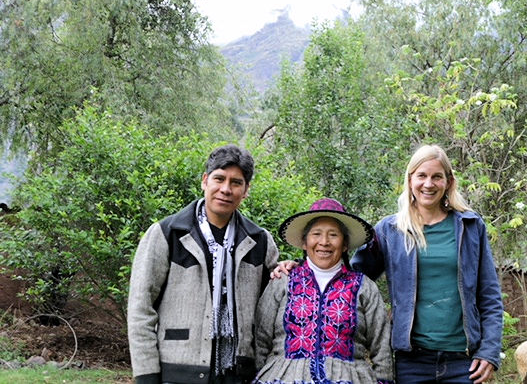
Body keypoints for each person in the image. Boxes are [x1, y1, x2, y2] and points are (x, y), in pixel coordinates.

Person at [351, 144, 503, 384]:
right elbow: (351, 277)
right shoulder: (390, 230)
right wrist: (300, 269)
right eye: (421, 176)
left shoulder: (471, 226)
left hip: (463, 362)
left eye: (437, 177)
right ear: (410, 180)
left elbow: (490, 295)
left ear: (448, 182)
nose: (428, 184)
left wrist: (489, 351)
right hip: (411, 362)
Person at [127, 144, 279, 384]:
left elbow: (272, 309)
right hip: (177, 371)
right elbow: (140, 308)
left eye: (236, 182)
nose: (225, 189)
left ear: (246, 190)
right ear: (205, 181)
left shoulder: (259, 241)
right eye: (219, 179)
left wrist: (287, 270)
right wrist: (146, 376)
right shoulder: (167, 234)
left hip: (239, 374)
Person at [253, 198, 394, 384]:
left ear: (345, 244)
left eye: (333, 235)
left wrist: (383, 380)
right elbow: (260, 339)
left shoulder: (363, 287)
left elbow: (382, 347)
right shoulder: (283, 281)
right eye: (316, 234)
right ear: (304, 242)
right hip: (283, 377)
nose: (324, 242)